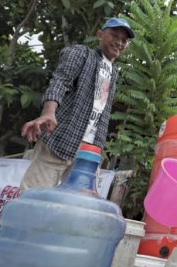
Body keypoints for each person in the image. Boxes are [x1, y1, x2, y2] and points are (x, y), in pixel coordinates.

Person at [20, 17, 134, 190]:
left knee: (78, 207)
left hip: (88, 152)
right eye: (114, 35)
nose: (119, 42)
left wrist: (98, 148)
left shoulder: (114, 72)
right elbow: (60, 81)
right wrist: (48, 112)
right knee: (33, 196)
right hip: (60, 140)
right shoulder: (82, 54)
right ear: (100, 35)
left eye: (124, 40)